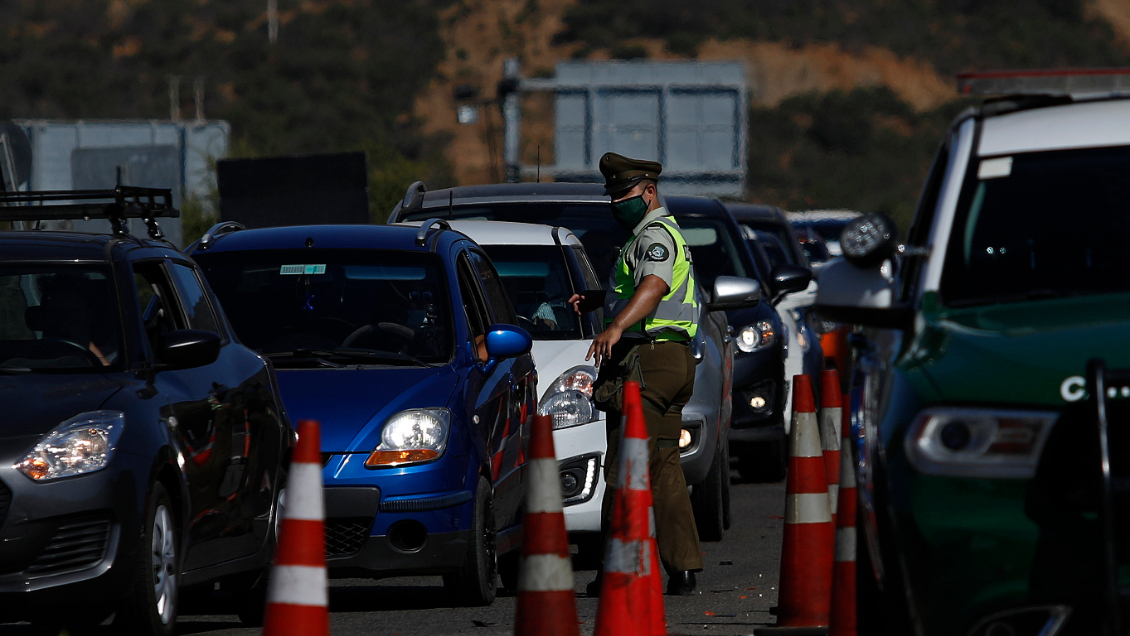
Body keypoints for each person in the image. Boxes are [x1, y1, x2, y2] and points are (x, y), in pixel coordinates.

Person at [568, 152, 703, 596]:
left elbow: (653, 286)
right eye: (613, 196)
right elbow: (639, 288)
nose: (616, 203)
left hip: (649, 362)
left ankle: (616, 571)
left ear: (649, 193)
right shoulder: (654, 235)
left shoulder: (655, 235)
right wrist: (599, 301)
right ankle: (683, 568)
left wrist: (616, 325)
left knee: (625, 470)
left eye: (624, 195)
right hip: (673, 361)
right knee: (663, 467)